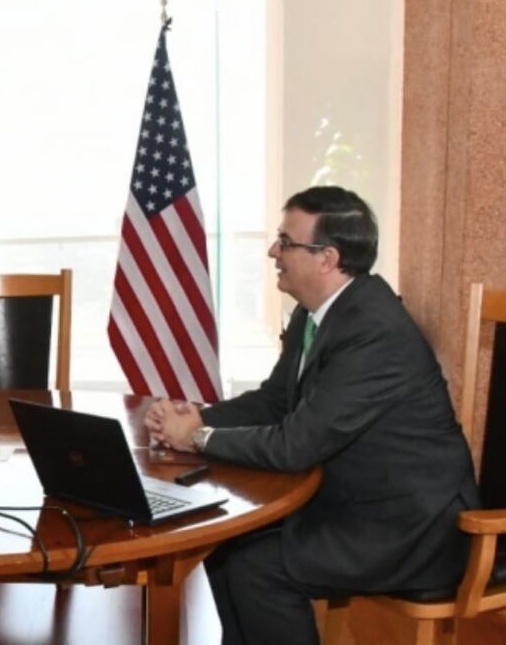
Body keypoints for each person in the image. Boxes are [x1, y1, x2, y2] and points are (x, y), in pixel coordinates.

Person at [146, 186, 479, 645]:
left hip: (414, 528)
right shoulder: (317, 312)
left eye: (286, 242)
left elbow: (294, 446)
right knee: (222, 545)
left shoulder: (373, 331)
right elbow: (275, 401)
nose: (273, 251)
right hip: (355, 503)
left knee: (257, 567)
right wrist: (198, 417)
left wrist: (196, 438)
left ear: (327, 258)